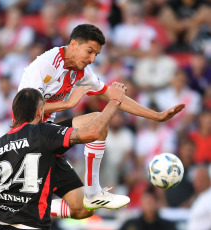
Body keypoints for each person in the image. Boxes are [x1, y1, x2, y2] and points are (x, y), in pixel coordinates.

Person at [18, 23, 185, 216]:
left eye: (96, 55)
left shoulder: (80, 70)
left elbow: (112, 96)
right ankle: (93, 191)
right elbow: (26, 108)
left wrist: (156, 116)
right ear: (73, 44)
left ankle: (25, 208)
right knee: (97, 120)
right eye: (89, 52)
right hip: (26, 135)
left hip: (47, 133)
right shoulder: (45, 65)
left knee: (83, 210)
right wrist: (68, 104)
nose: (92, 59)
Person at [0, 84, 126, 230]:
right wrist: (114, 101)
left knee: (82, 209)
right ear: (40, 111)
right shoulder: (43, 132)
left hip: (1, 224)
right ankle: (93, 192)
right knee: (84, 209)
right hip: (32, 225)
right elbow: (93, 132)